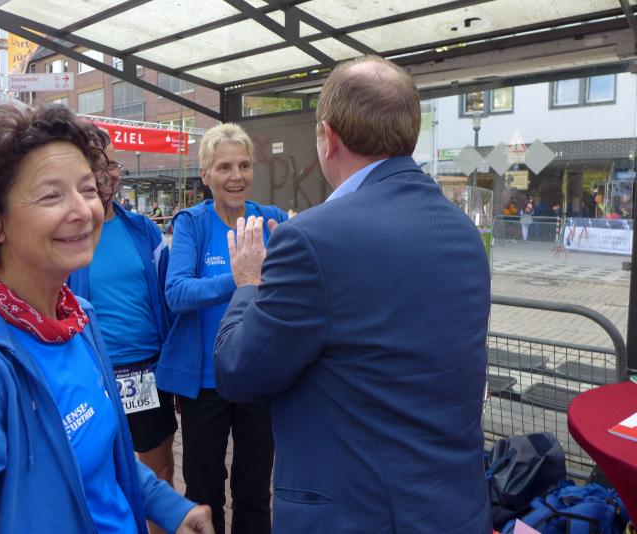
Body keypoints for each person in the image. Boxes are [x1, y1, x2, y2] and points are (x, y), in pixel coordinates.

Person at [0, 105, 213, 534]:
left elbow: (104, 454)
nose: (83, 210)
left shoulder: (79, 320)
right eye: (52, 195)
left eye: (88, 189)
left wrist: (172, 508)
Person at [213, 56, 492, 533]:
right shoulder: (462, 231)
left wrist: (249, 283)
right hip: (454, 509)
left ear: (329, 137)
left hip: (355, 515)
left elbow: (238, 371)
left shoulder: (312, 239)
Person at [157, 123, 288, 534]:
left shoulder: (271, 219)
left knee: (254, 491)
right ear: (205, 175)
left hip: (256, 375)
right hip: (205, 382)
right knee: (203, 491)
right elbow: (176, 292)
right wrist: (240, 278)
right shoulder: (193, 224)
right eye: (224, 167)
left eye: (244, 166)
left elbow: (294, 284)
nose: (236, 176)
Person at [67, 128, 178, 533]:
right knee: (97, 472)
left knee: (158, 468)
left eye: (112, 165)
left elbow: (168, 298)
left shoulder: (143, 229)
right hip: (92, 374)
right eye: (97, 166)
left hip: (146, 370)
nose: (108, 174)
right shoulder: (67, 235)